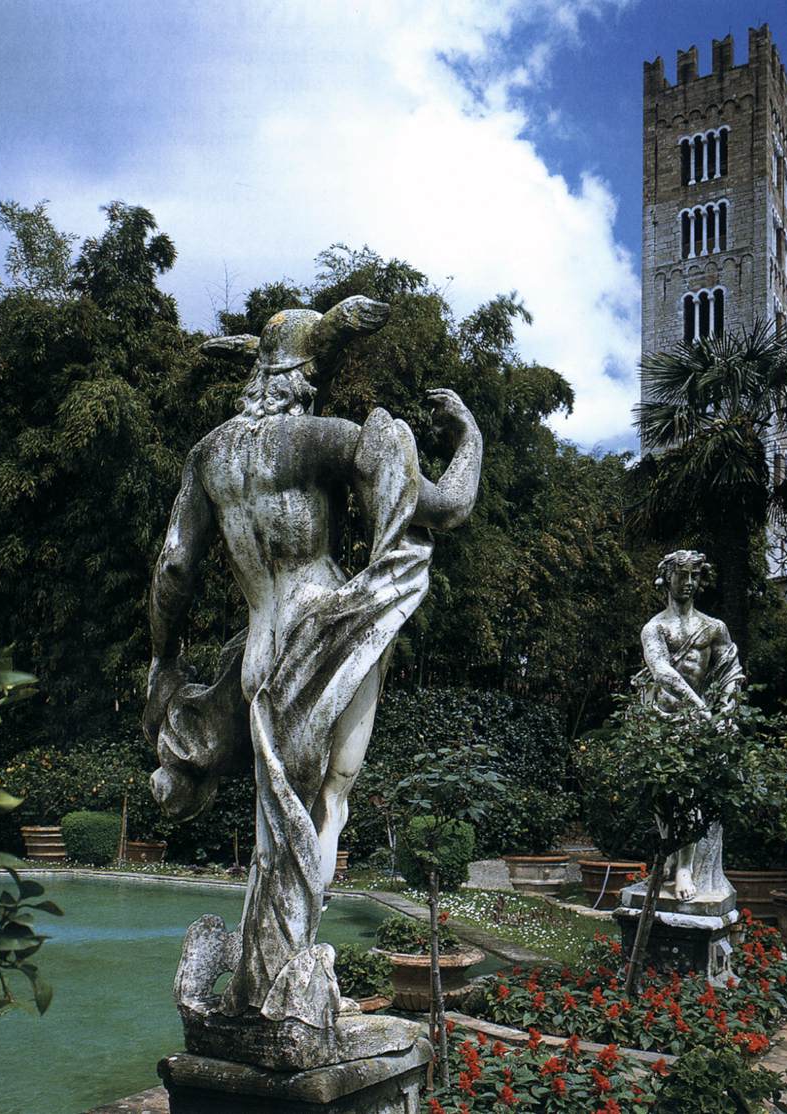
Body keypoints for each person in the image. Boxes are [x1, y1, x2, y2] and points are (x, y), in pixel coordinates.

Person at [144, 298, 482, 1025]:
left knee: (277, 822)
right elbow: (447, 506)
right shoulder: (320, 438)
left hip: (260, 649)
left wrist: (163, 660)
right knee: (325, 804)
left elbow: (174, 567)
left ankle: (260, 982)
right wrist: (471, 437)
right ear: (309, 371)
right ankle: (283, 988)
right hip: (328, 630)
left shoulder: (209, 455)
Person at [635, 549, 743, 902]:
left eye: (694, 576)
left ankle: (685, 866)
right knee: (662, 795)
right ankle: (667, 857)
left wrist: (725, 711)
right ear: (667, 577)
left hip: (701, 725)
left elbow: (731, 671)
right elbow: (662, 672)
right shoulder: (655, 627)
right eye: (682, 575)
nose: (689, 583)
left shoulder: (714, 627)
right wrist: (698, 706)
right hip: (663, 718)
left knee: (690, 792)